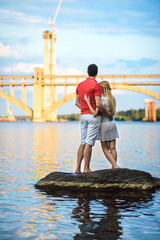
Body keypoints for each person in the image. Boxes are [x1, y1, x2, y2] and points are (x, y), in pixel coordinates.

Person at [84, 80, 120, 169]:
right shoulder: (112, 99)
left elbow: (97, 109)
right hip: (112, 124)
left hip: (104, 124)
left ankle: (115, 166)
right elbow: (112, 113)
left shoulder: (101, 100)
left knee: (105, 149)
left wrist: (88, 102)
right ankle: (114, 168)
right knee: (113, 148)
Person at [75, 64, 102, 173]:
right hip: (93, 116)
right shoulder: (96, 86)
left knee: (82, 142)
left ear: (87, 72)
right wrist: (92, 110)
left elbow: (76, 102)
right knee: (89, 143)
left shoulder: (80, 85)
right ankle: (86, 168)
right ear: (97, 72)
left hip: (83, 116)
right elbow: (98, 103)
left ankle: (77, 168)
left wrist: (85, 108)